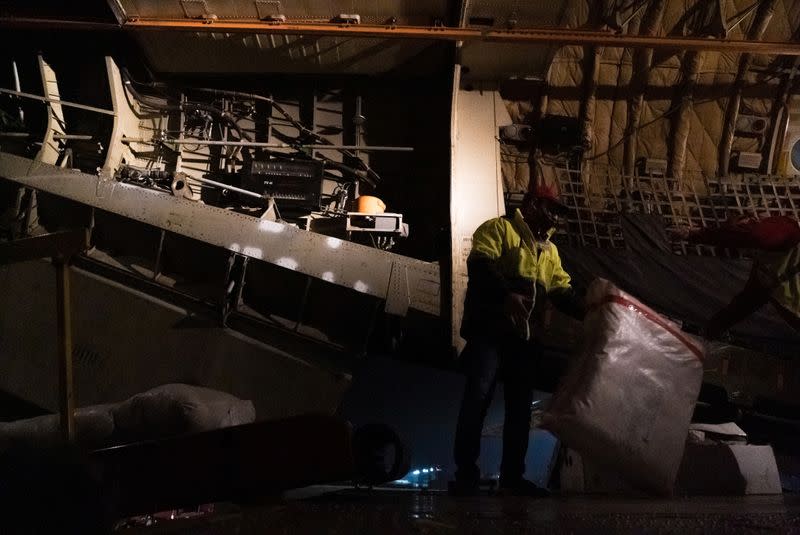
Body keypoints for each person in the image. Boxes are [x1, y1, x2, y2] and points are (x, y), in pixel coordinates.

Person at [451, 183, 585, 497]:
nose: (554, 216)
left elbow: (562, 292)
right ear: (532, 204)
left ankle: (513, 478)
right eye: (551, 208)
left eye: (557, 211)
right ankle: (466, 475)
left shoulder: (549, 251)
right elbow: (480, 266)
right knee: (478, 400)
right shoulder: (500, 229)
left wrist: (591, 312)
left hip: (525, 341)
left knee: (519, 410)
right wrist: (506, 296)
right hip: (491, 333)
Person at [674, 213, 800, 336]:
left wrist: (694, 234)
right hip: (790, 308)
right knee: (742, 305)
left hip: (792, 308)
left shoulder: (785, 232)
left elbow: (753, 235)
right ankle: (710, 332)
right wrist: (711, 331)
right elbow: (743, 305)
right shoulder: (766, 268)